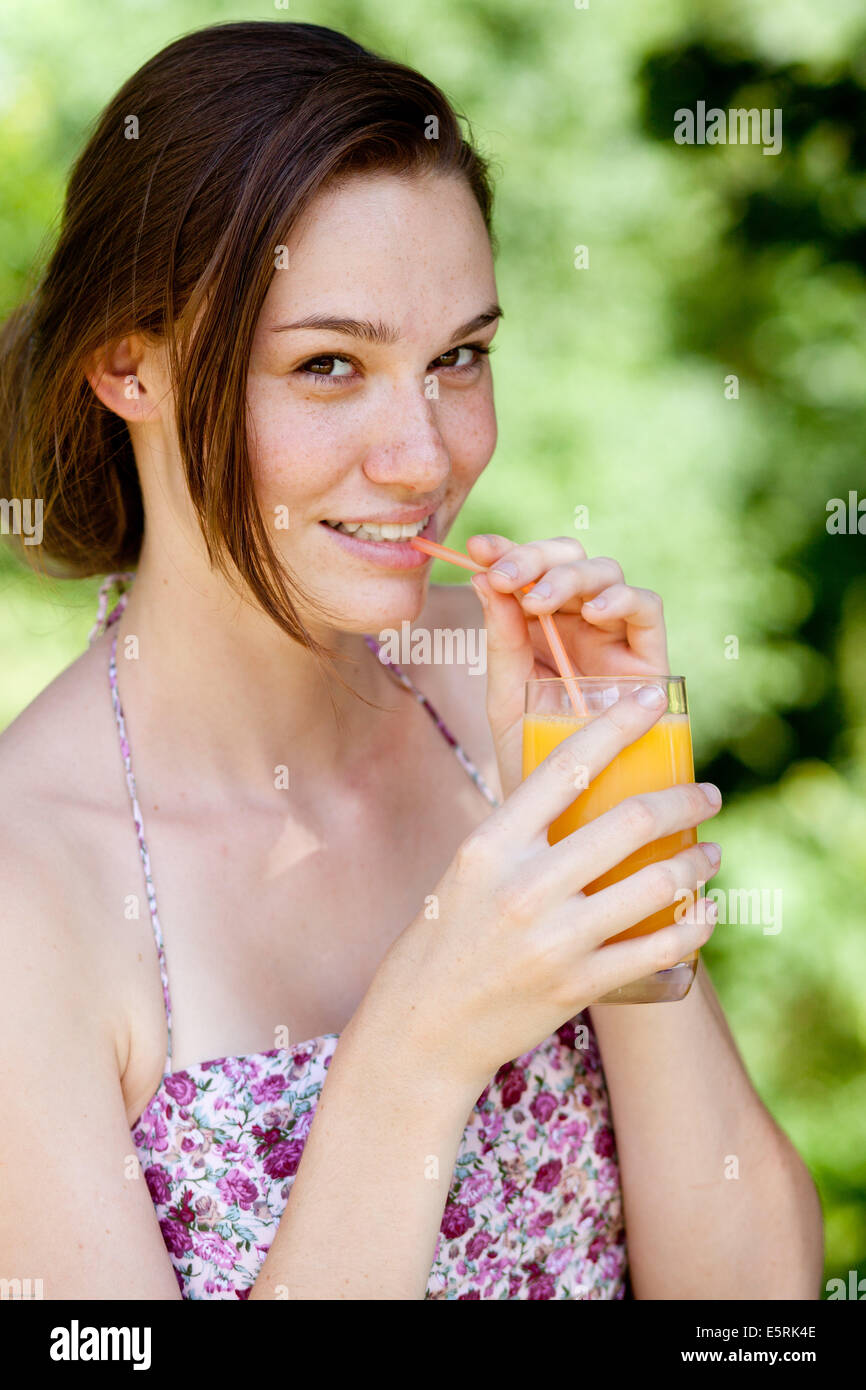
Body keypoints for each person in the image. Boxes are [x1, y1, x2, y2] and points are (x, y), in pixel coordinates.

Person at [0, 20, 822, 1300]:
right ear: (128, 364)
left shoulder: (492, 713)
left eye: (458, 358)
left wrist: (615, 811)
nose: (425, 457)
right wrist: (416, 1056)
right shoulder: (29, 888)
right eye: (328, 365)